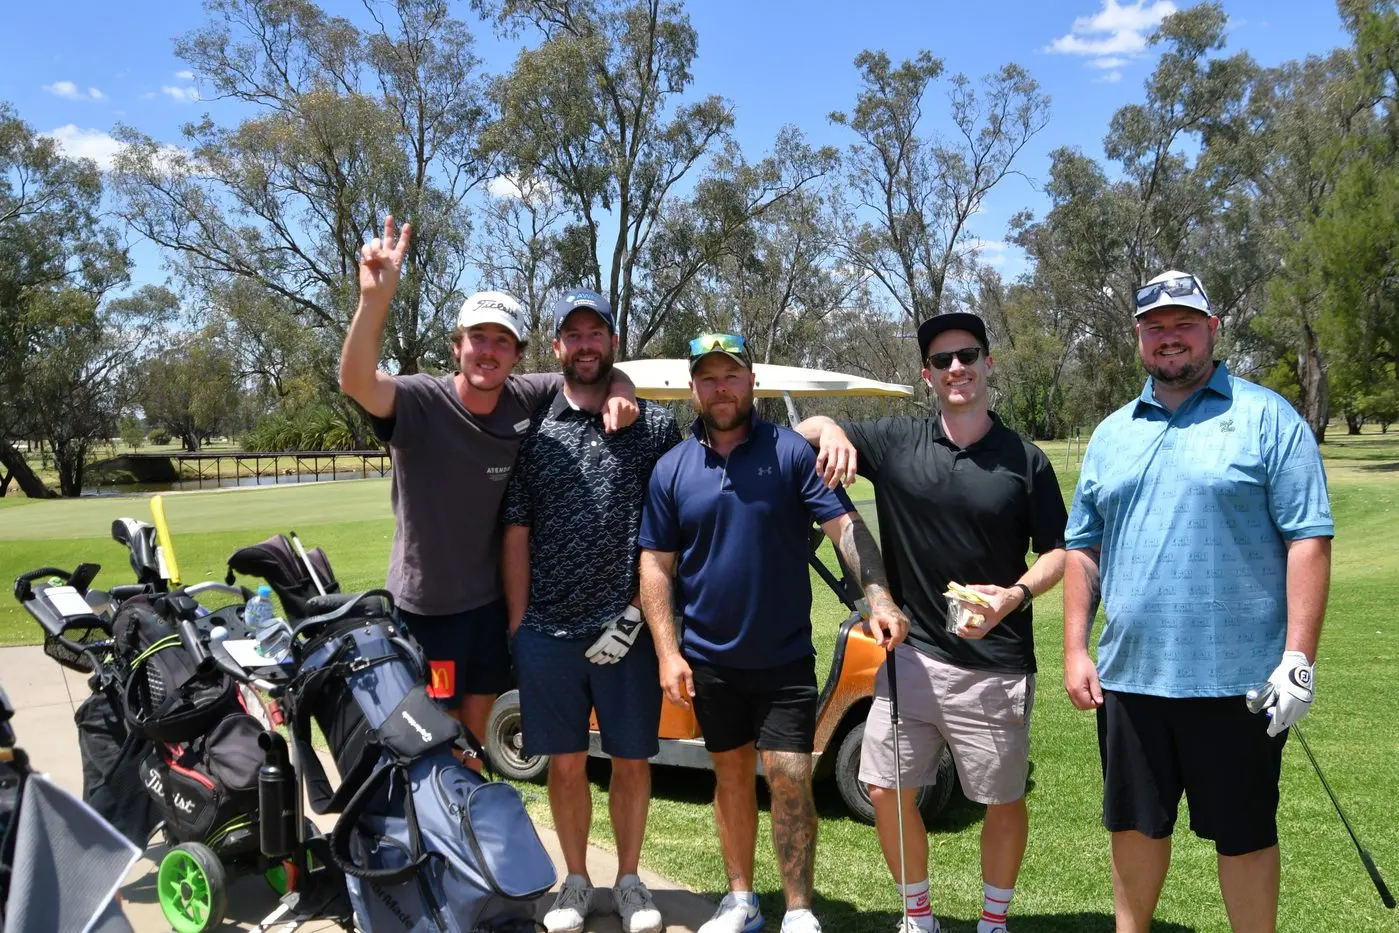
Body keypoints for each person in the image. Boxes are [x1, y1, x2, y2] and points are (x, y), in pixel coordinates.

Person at [1062, 270, 1333, 933]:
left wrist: (1297, 656)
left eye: (1183, 323)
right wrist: (1073, 646)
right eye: (1154, 326)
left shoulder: (1267, 417)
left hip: (1238, 678)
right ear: (1137, 338)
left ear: (1211, 329)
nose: (1169, 337)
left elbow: (1306, 537)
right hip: (1132, 675)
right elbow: (1081, 545)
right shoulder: (1110, 434)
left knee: (1242, 832)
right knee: (1133, 825)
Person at [798, 311, 1068, 933]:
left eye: (968, 356)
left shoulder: (1024, 461)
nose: (957, 368)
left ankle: (993, 922)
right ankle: (917, 916)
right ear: (926, 375)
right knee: (887, 791)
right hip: (910, 659)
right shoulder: (896, 443)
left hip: (995, 665)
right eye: (943, 360)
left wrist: (1013, 596)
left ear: (987, 364)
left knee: (1001, 800)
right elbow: (801, 432)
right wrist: (833, 427)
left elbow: (1059, 552)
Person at [638, 333, 909, 933]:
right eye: (708, 377)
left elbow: (845, 529)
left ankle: (800, 910)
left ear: (751, 380)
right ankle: (741, 901)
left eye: (731, 375)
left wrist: (880, 597)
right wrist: (666, 650)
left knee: (788, 776)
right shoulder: (671, 469)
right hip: (708, 660)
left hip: (783, 658)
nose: (721, 387)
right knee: (730, 776)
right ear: (693, 389)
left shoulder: (790, 453)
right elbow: (656, 568)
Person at [338, 216, 637, 752]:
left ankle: (467, 824)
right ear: (457, 346)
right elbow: (357, 381)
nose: (488, 351)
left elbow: (592, 367)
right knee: (432, 737)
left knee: (474, 742)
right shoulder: (421, 402)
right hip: (430, 612)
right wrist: (373, 300)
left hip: (489, 610)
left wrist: (623, 388)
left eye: (502, 341)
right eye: (478, 338)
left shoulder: (524, 396)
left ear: (519, 355)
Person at [500, 290, 681, 933]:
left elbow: (671, 531)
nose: (584, 344)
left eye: (595, 333)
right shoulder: (534, 431)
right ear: (557, 348)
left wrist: (639, 613)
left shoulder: (655, 427)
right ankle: (575, 883)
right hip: (547, 630)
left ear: (612, 342)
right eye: (572, 334)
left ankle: (628, 882)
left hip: (625, 629)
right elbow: (516, 530)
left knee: (633, 760)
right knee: (568, 762)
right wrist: (520, 626)